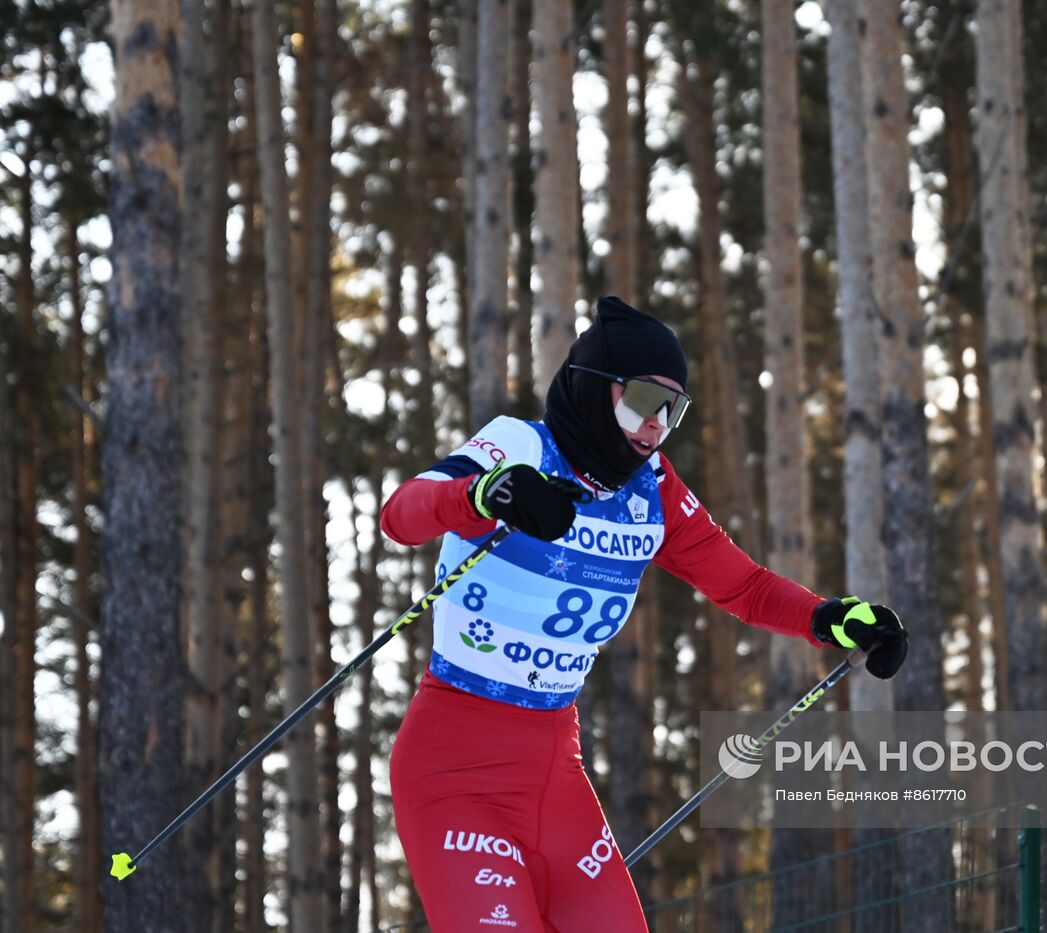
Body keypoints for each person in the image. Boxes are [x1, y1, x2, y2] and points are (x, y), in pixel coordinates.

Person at [380, 296, 909, 932]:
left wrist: (827, 618)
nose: (655, 425)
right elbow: (402, 513)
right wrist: (485, 494)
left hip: (554, 768)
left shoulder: (651, 488)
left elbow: (743, 586)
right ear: (594, 386)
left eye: (672, 409)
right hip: (456, 764)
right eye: (641, 399)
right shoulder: (521, 446)